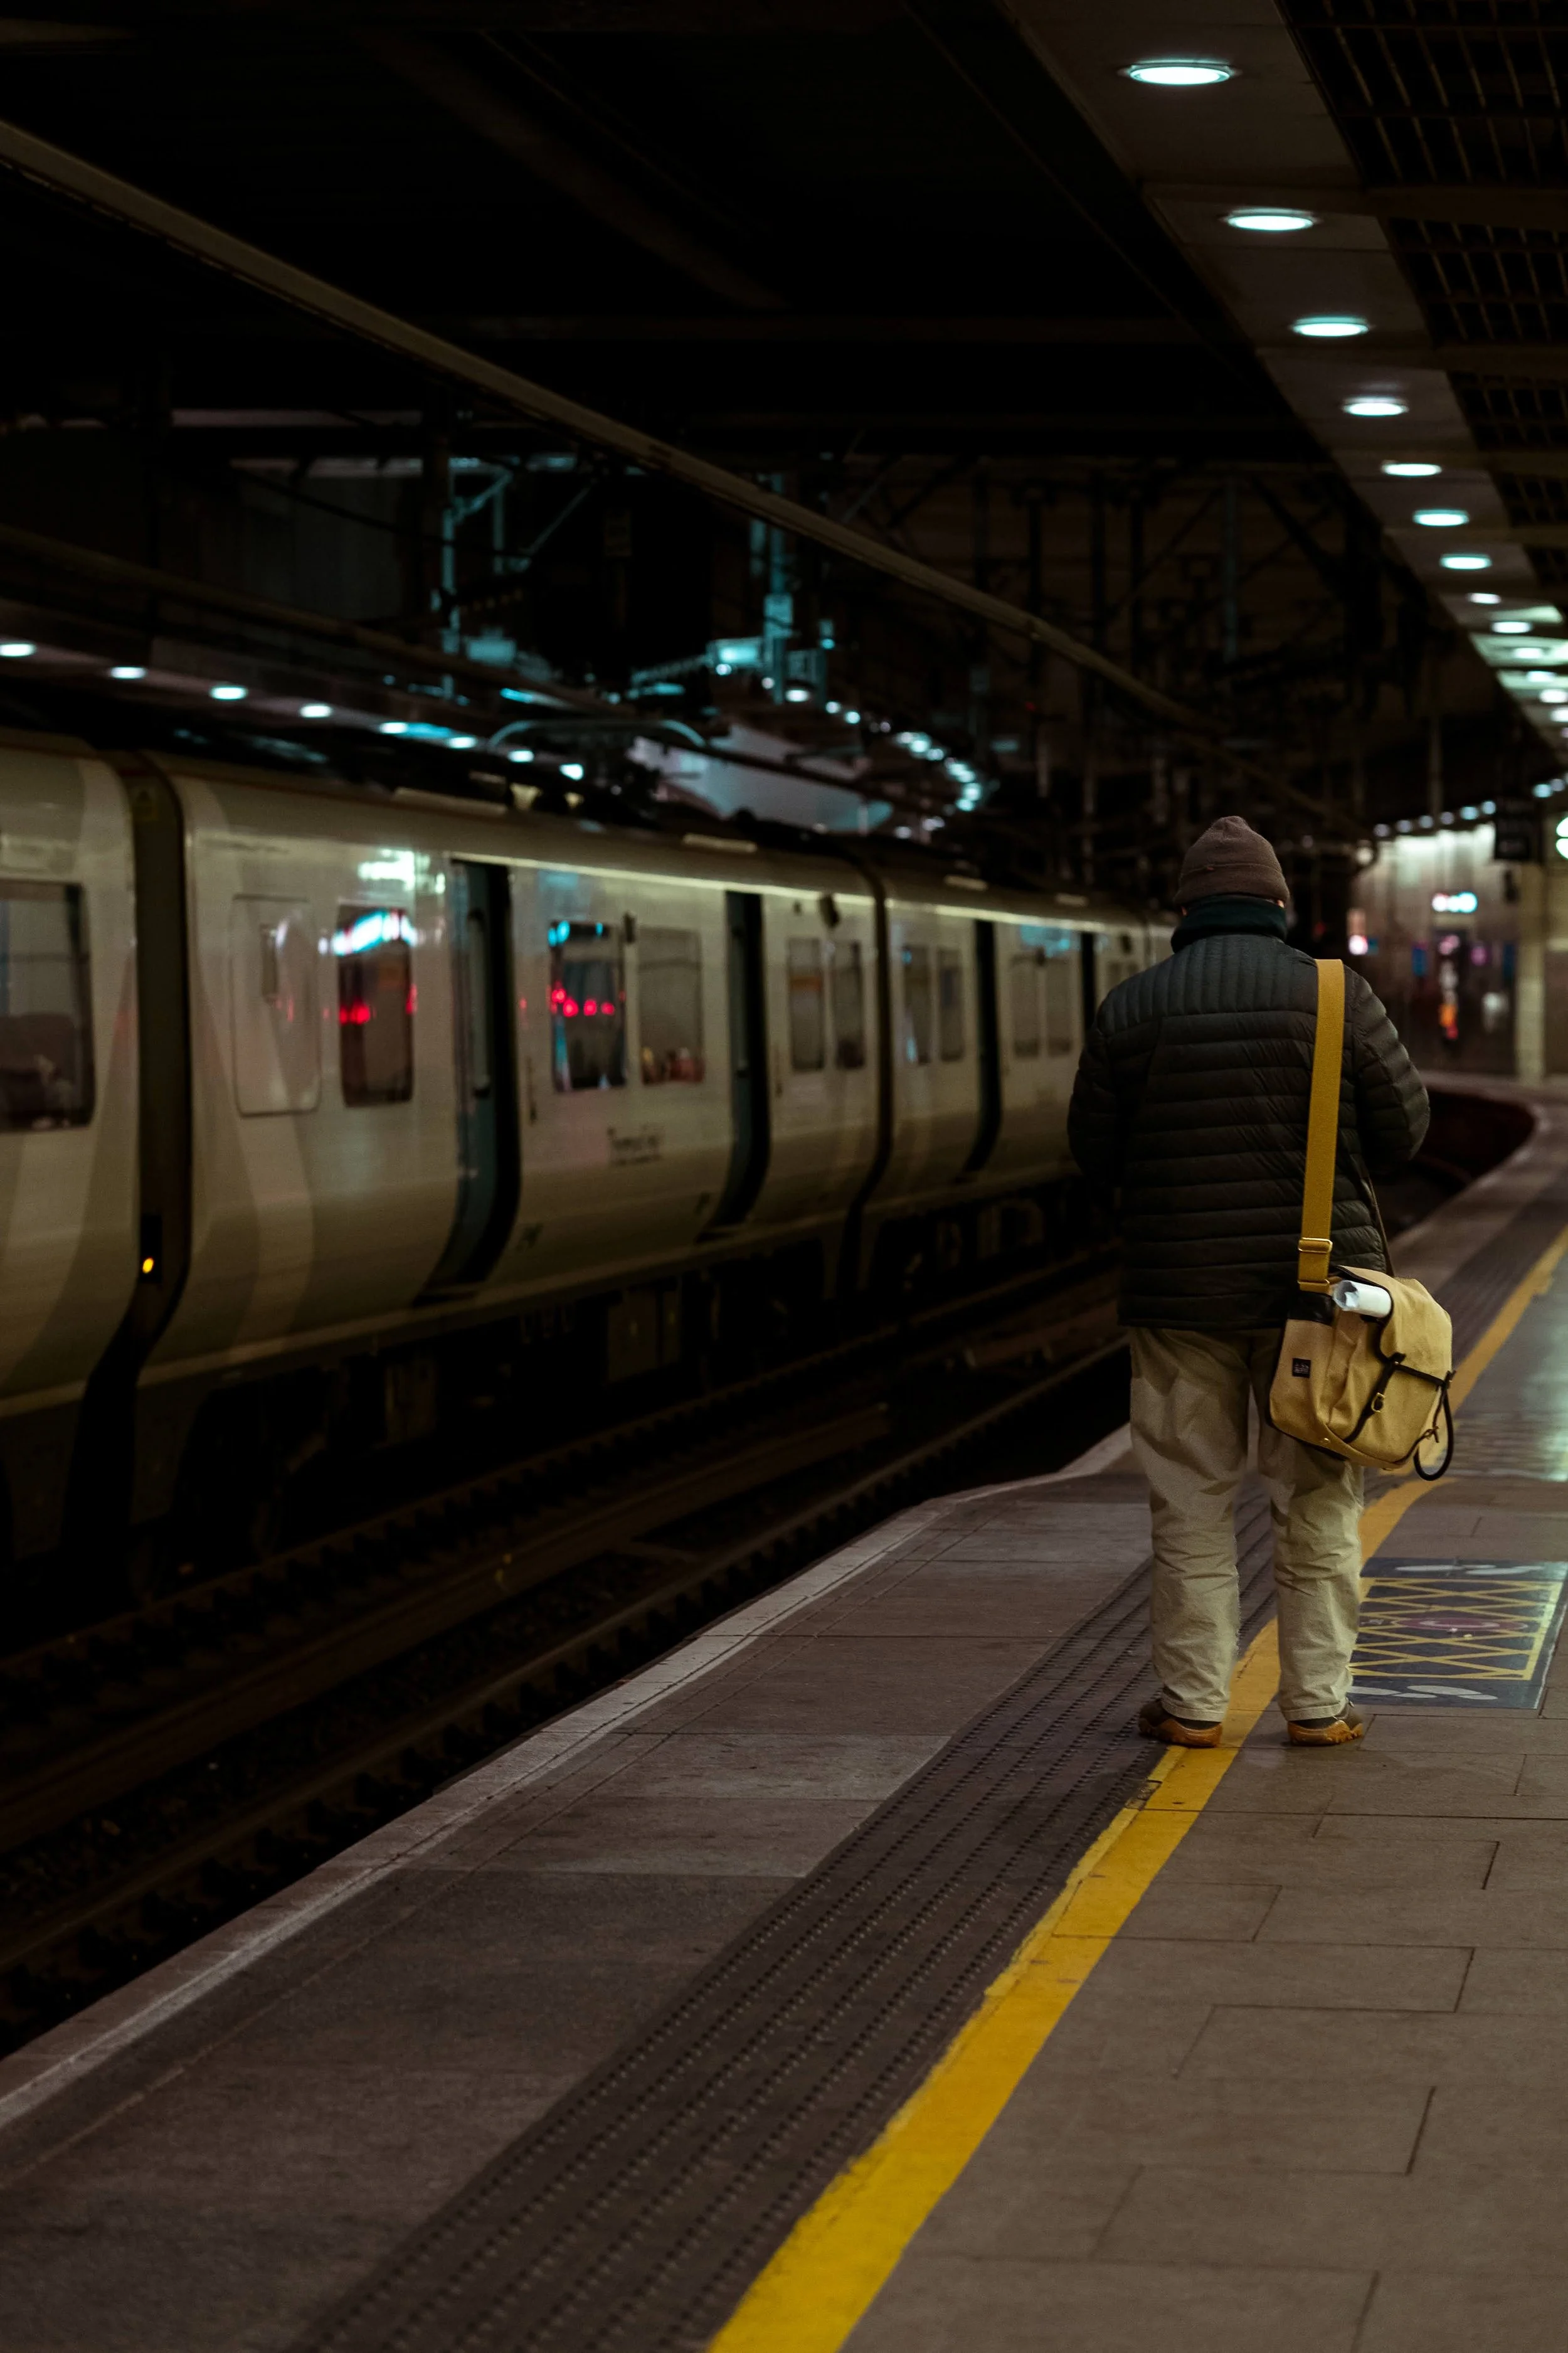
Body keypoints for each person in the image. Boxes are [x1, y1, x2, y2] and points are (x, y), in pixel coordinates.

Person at [1067, 814, 1428, 1748]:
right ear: (1279, 906)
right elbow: (1406, 1132)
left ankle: (1192, 1703)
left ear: (1185, 910)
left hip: (1178, 1299)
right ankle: (1317, 1703)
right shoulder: (1339, 997)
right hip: (1318, 1304)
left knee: (1190, 1498)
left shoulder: (1132, 1006)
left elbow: (1091, 1154)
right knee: (1315, 1500)